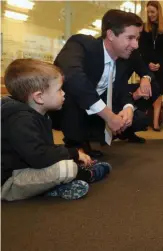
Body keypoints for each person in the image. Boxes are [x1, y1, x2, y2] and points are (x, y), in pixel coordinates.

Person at [1, 59, 112, 201]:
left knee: (63, 161)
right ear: (39, 97)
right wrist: (73, 154)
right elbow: (39, 155)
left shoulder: (39, 114)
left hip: (25, 169)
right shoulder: (21, 120)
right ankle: (85, 175)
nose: (64, 93)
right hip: (8, 182)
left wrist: (69, 154)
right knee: (66, 168)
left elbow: (43, 149)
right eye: (59, 89)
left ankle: (56, 187)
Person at [53, 9, 156, 158]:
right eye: (130, 38)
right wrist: (108, 116)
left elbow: (121, 87)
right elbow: (72, 76)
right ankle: (75, 144)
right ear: (111, 35)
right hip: (65, 109)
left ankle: (91, 138)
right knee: (74, 92)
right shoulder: (82, 44)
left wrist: (128, 108)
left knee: (139, 118)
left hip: (93, 111)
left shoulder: (122, 59)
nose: (136, 45)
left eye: (137, 39)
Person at [140, 1, 163, 131]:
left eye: (152, 12)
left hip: (161, 66)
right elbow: (141, 48)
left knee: (158, 93)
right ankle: (143, 120)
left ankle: (155, 123)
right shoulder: (143, 28)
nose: (150, 14)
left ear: (158, 11)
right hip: (146, 65)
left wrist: (159, 63)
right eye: (148, 12)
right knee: (146, 92)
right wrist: (148, 63)